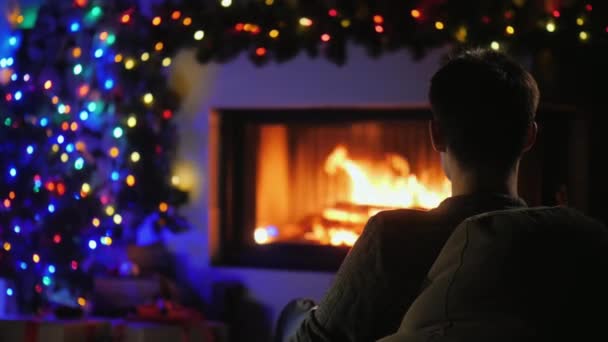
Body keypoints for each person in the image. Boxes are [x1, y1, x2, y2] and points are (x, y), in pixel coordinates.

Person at [277, 48, 545, 341]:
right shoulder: (560, 240)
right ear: (530, 136)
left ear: (436, 135)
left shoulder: (392, 237)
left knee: (295, 314)